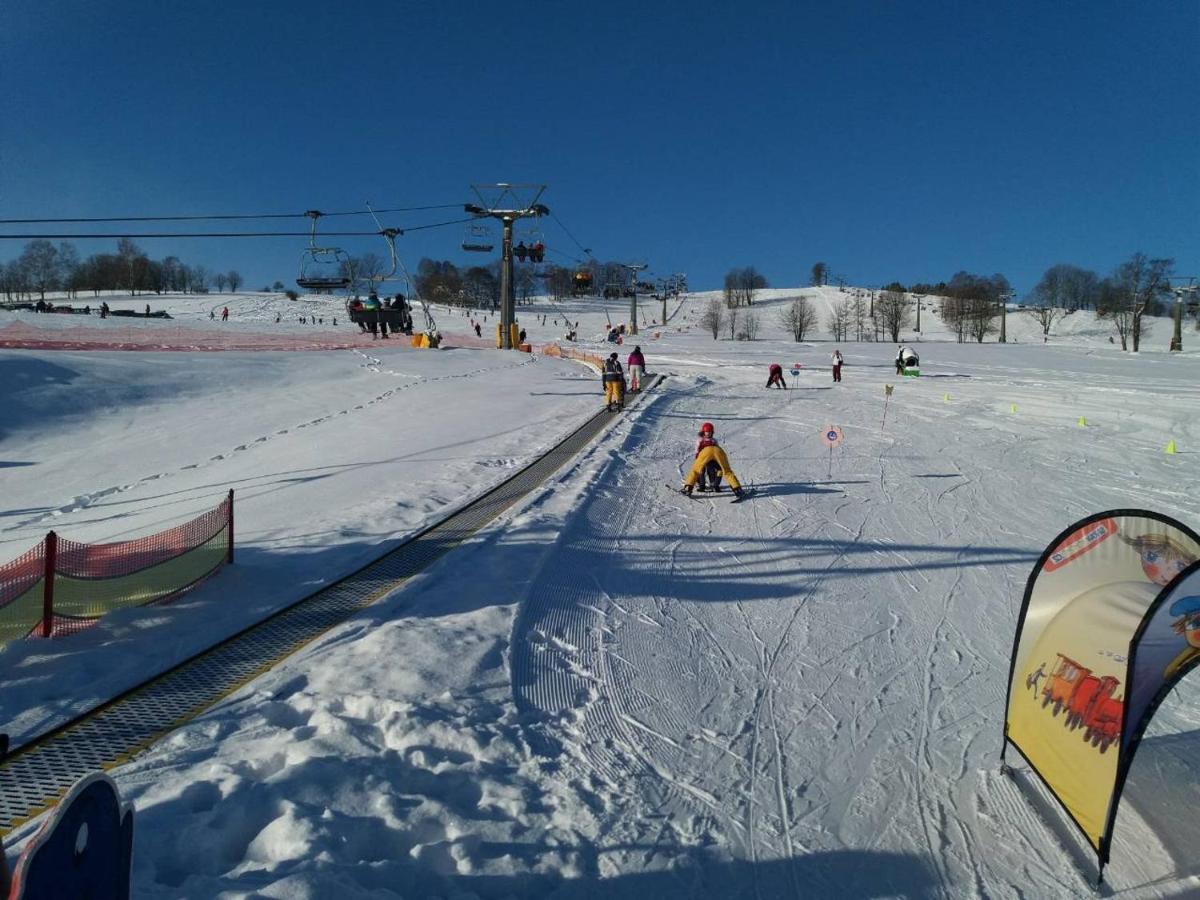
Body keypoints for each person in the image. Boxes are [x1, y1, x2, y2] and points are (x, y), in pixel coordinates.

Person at [682, 423, 744, 497]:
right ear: (704, 432)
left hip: (706, 452)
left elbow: (697, 451)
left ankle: (688, 487)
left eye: (709, 432)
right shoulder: (712, 440)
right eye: (707, 432)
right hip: (718, 451)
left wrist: (698, 460)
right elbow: (717, 450)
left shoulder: (701, 440)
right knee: (726, 470)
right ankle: (737, 489)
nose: (708, 433)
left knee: (695, 470)